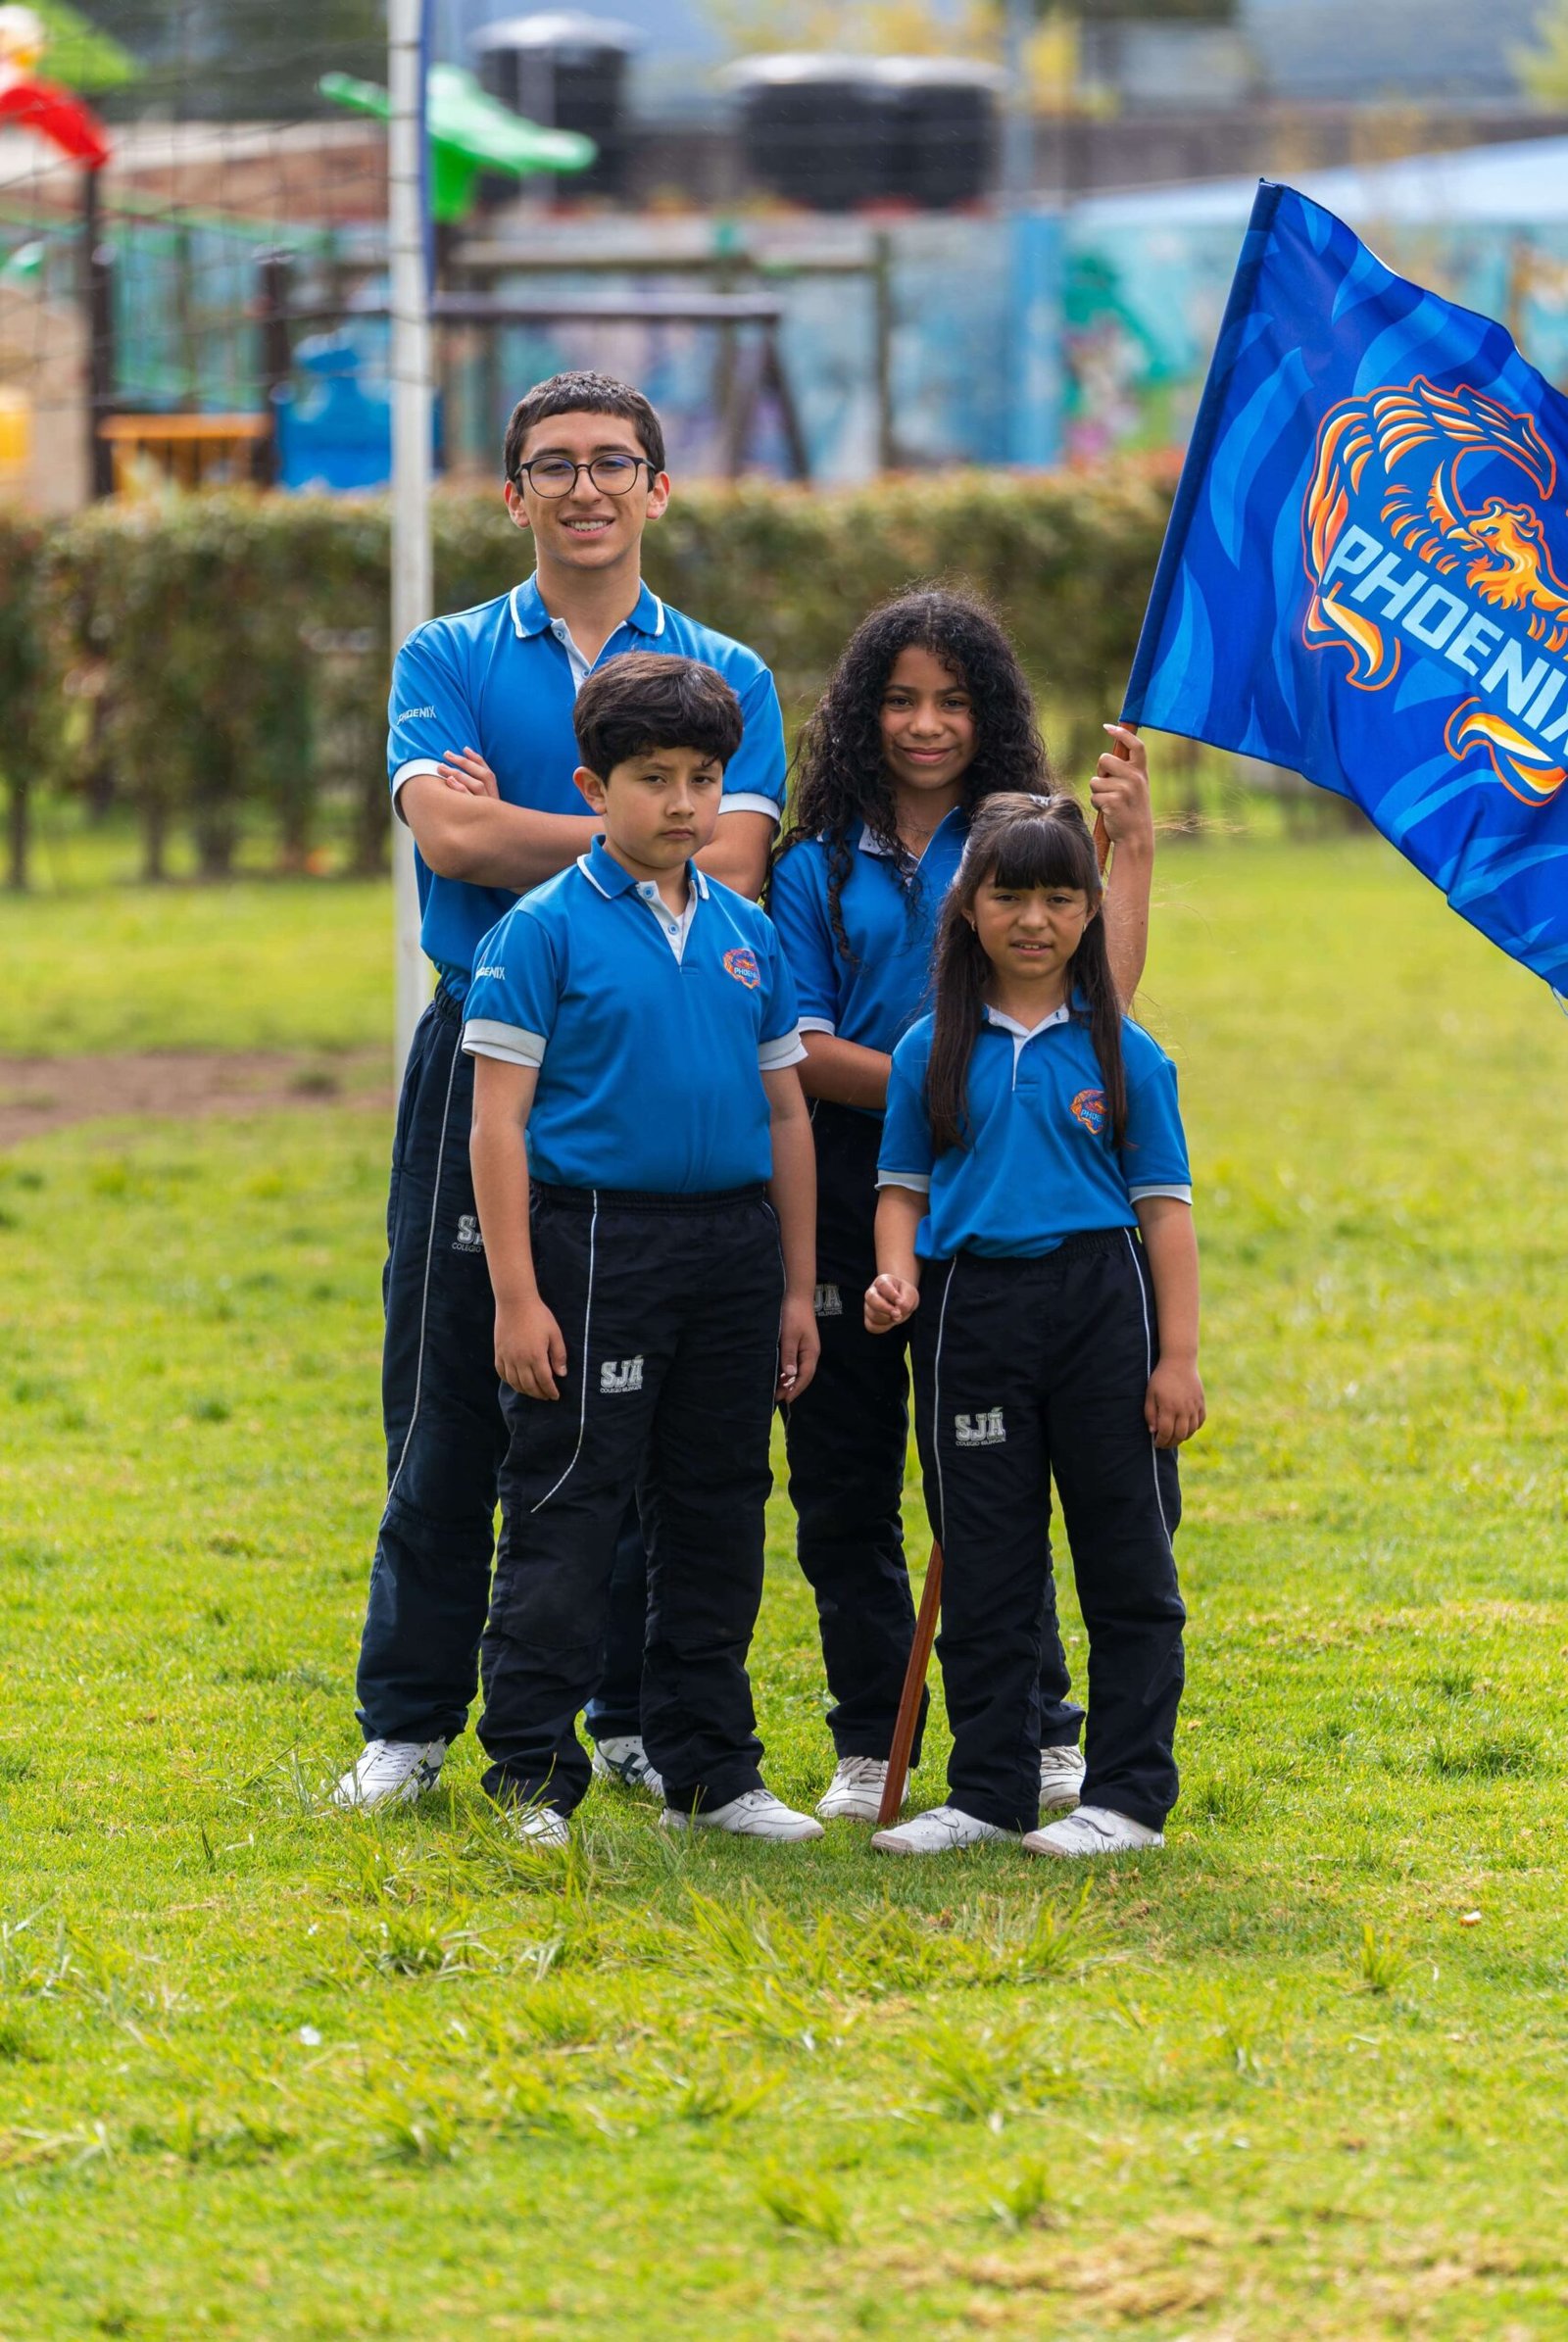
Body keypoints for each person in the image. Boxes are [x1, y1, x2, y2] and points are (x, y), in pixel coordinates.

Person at [335, 372, 787, 1813]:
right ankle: (407, 1719)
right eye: (553, 465)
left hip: (663, 1065)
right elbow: (444, 838)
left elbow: (732, 871)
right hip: (485, 1045)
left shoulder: (732, 671)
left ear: (660, 486)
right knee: (452, 1390)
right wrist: (621, 840)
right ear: (510, 491)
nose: (584, 487)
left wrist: (530, 828)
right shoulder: (450, 652)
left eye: (613, 462)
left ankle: (634, 1714)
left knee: (649, 1419)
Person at [765, 589, 1154, 1824]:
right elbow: (800, 1041)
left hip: (998, 1210)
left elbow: (1096, 1019)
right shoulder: (814, 863)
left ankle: (1039, 1734)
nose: (925, 724)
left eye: (951, 699)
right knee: (840, 1481)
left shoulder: (1022, 842)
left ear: (989, 711)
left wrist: (1132, 850)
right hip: (854, 1191)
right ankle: (870, 1738)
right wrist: (963, 1083)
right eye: (898, 699)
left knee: (992, 1475)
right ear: (858, 711)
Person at [461, 653, 822, 1843]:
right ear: (591, 784)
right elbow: (498, 1123)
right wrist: (517, 1295)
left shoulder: (749, 935)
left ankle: (710, 1772)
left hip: (731, 1250)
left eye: (703, 778)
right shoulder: (540, 929)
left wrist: (792, 1289)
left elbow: (783, 1115)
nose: (680, 802)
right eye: (651, 776)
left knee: (720, 1504)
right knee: (570, 1500)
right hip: (595, 1244)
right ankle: (527, 1771)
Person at [863, 792, 1202, 1857]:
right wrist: (891, 1274)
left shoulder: (1125, 1054)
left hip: (1101, 1306)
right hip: (969, 1314)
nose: (1034, 917)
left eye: (1061, 895)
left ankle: (1126, 1797)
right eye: (1009, 893)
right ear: (968, 909)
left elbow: (1165, 1212)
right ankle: (989, 1791)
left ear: (1092, 909)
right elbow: (902, 1189)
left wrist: (1177, 1356)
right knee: (988, 1558)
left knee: (1125, 1559)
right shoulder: (929, 1047)